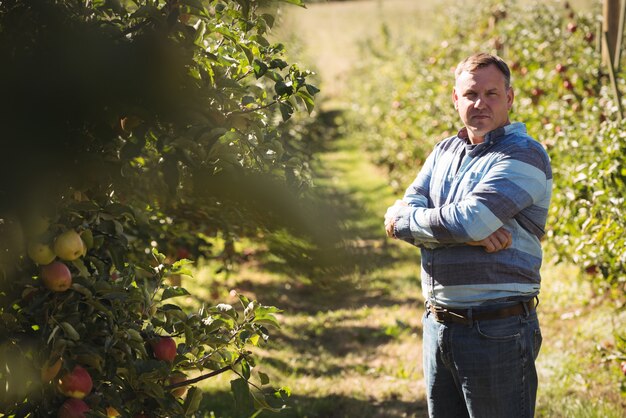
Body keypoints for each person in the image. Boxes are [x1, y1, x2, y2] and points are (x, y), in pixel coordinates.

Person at [384, 52, 552, 418]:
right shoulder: (444, 151)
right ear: (455, 99)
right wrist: (462, 232)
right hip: (438, 324)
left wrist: (416, 223)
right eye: (471, 94)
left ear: (509, 98)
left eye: (491, 94)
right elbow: (399, 211)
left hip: (496, 329)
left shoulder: (524, 154)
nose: (480, 103)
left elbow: (468, 221)